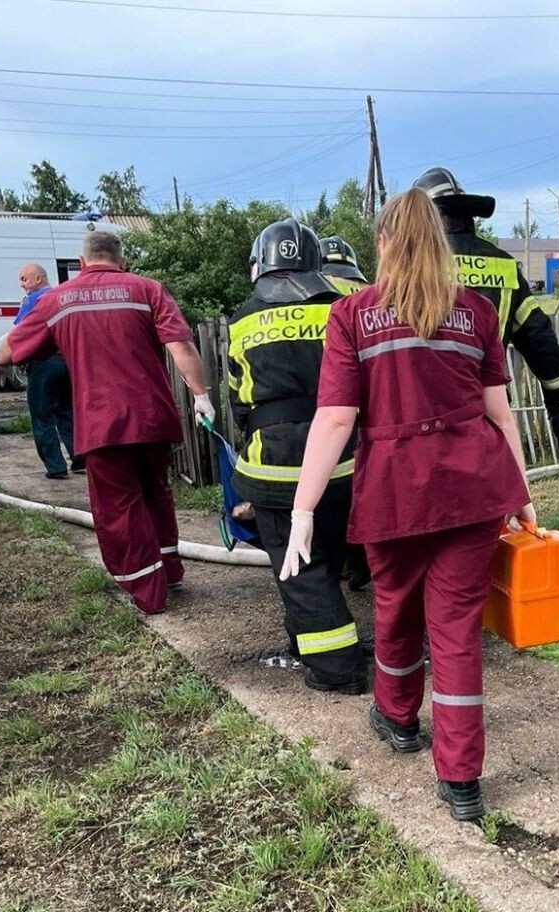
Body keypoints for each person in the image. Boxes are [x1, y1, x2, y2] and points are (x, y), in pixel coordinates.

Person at [280, 189, 535, 821]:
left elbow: (335, 419)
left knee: (395, 607)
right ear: (441, 244)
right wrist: (522, 495)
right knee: (456, 631)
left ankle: (397, 719)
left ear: (384, 243)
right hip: (474, 489)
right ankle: (462, 781)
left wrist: (302, 510)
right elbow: (500, 413)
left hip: (394, 492)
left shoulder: (351, 315)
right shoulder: (477, 312)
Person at [0, 231, 213, 616]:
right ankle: (169, 572)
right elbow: (180, 344)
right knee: (156, 492)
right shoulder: (148, 289)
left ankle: (148, 593)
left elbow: (7, 352)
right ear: (122, 261)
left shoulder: (57, 299)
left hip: (102, 423)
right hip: (152, 418)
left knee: (119, 506)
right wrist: (201, 396)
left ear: (81, 263)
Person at [228, 218, 367, 695]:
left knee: (302, 570)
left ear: (259, 266)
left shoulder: (243, 319)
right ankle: (308, 642)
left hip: (274, 467)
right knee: (331, 554)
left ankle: (337, 668)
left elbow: (240, 402)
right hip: (343, 462)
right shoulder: (341, 309)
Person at [412, 167, 559, 460]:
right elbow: (538, 337)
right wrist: (558, 398)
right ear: (468, 215)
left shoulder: (410, 266)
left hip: (421, 415)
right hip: (487, 411)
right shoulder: (503, 266)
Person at [318, 234, 372, 592]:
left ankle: (342, 563)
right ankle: (361, 562)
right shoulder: (367, 292)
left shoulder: (314, 291)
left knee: (332, 491)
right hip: (372, 411)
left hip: (335, 405)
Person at [15, 262, 82, 479]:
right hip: (65, 361)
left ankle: (56, 467)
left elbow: (20, 330)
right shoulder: (62, 297)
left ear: (38, 279)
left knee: (42, 415)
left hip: (42, 362)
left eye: (24, 279)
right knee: (66, 412)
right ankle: (80, 459)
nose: (22, 284)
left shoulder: (34, 299)